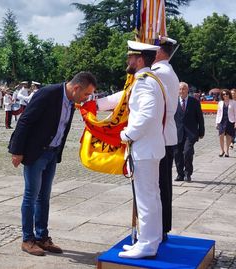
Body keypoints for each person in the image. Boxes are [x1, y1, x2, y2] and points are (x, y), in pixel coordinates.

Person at [8, 71, 97, 256]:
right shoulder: (48, 94)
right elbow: (25, 121)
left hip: (52, 153)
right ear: (76, 87)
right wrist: (16, 150)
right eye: (86, 94)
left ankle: (42, 237)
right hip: (36, 153)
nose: (86, 98)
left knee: (44, 197)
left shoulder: (72, 102)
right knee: (31, 196)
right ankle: (27, 239)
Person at [97, 41, 165, 259]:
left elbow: (146, 115)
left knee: (146, 199)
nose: (128, 61)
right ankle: (149, 241)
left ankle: (147, 244)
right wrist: (95, 105)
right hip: (148, 149)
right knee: (151, 198)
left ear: (140, 59)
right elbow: (123, 98)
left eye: (131, 57)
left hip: (144, 149)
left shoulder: (145, 82)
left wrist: (126, 135)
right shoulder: (146, 80)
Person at [151, 37, 180, 241]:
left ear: (160, 52)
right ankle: (162, 227)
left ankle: (159, 228)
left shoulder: (159, 73)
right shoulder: (168, 71)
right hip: (166, 134)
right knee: (163, 185)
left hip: (159, 135)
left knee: (158, 186)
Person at [174, 82, 205, 182]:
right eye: (180, 89)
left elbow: (200, 117)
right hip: (177, 133)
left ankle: (188, 173)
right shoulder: (174, 102)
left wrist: (201, 131)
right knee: (177, 154)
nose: (181, 91)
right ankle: (180, 174)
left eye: (184, 89)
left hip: (191, 133)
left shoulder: (194, 101)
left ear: (187, 90)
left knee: (187, 152)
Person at [216, 89, 236, 157]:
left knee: (228, 136)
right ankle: (222, 150)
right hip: (221, 121)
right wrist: (217, 122)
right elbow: (218, 113)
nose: (225, 95)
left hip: (230, 121)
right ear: (222, 95)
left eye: (226, 94)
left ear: (229, 94)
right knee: (221, 135)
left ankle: (227, 151)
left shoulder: (233, 102)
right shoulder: (220, 103)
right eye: (224, 94)